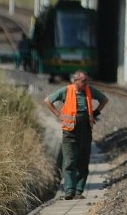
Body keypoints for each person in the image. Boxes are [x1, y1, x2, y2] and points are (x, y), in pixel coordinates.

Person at [44, 70, 108, 200]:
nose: (86, 84)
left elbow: (104, 100)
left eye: (87, 81)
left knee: (83, 160)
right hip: (69, 131)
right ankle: (69, 190)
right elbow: (47, 100)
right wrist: (58, 114)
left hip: (85, 130)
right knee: (69, 160)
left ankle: (79, 191)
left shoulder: (89, 90)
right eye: (84, 81)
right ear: (75, 81)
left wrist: (96, 112)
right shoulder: (66, 91)